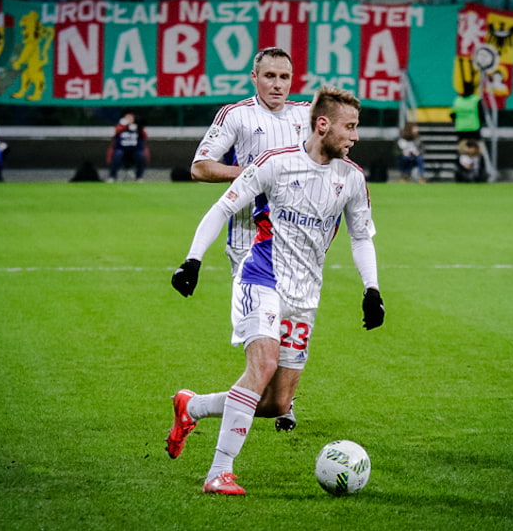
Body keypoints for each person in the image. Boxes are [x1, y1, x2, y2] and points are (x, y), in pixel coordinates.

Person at [166, 85, 385, 496]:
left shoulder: (352, 178)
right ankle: (219, 473)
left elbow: (361, 237)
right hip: (261, 278)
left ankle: (191, 406)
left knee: (277, 404)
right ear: (323, 125)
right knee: (261, 367)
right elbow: (223, 208)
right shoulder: (276, 164)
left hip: (305, 297)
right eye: (350, 127)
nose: (355, 137)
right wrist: (192, 259)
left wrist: (371, 288)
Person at [190, 47, 311, 431]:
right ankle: (259, 403)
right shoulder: (237, 115)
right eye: (269, 76)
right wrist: (252, 174)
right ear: (253, 78)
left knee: (291, 322)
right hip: (247, 240)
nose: (277, 84)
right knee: (264, 328)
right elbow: (200, 166)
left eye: (284, 77)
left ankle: (282, 400)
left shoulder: (304, 115)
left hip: (294, 242)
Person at [107, 111, 148, 182]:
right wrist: (126, 126)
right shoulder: (120, 127)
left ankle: (139, 177)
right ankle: (112, 176)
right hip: (121, 149)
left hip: (135, 150)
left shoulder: (138, 127)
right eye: (127, 118)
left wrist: (138, 128)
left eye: (130, 118)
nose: (129, 119)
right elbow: (116, 132)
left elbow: (145, 136)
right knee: (117, 154)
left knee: (141, 155)